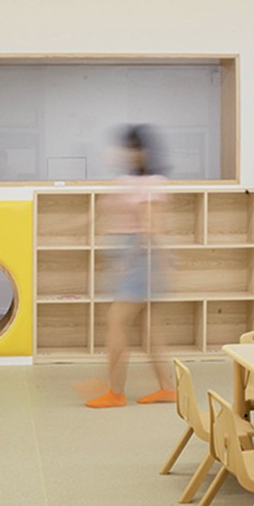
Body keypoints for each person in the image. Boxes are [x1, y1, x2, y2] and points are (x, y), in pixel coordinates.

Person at [85, 125, 176, 408]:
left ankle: (115, 392)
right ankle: (167, 388)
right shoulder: (129, 182)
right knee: (149, 329)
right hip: (137, 259)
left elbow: (151, 228)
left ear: (143, 152)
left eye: (130, 148)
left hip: (140, 260)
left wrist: (138, 260)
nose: (125, 153)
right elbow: (103, 212)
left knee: (116, 321)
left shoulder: (151, 184)